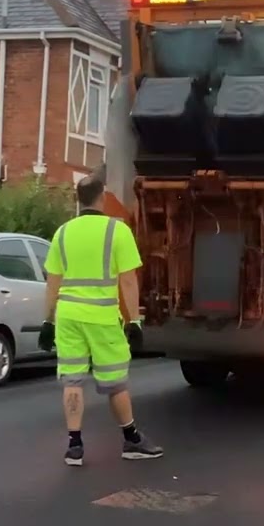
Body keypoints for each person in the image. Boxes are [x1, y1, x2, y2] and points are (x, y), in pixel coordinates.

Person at [38, 170, 164, 467]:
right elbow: (129, 280)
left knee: (72, 380)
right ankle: (131, 439)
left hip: (68, 316)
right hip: (102, 316)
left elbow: (53, 282)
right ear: (102, 198)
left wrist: (48, 321)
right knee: (115, 382)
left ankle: (74, 446)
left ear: (78, 200)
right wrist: (134, 321)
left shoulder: (62, 233)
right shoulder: (116, 231)